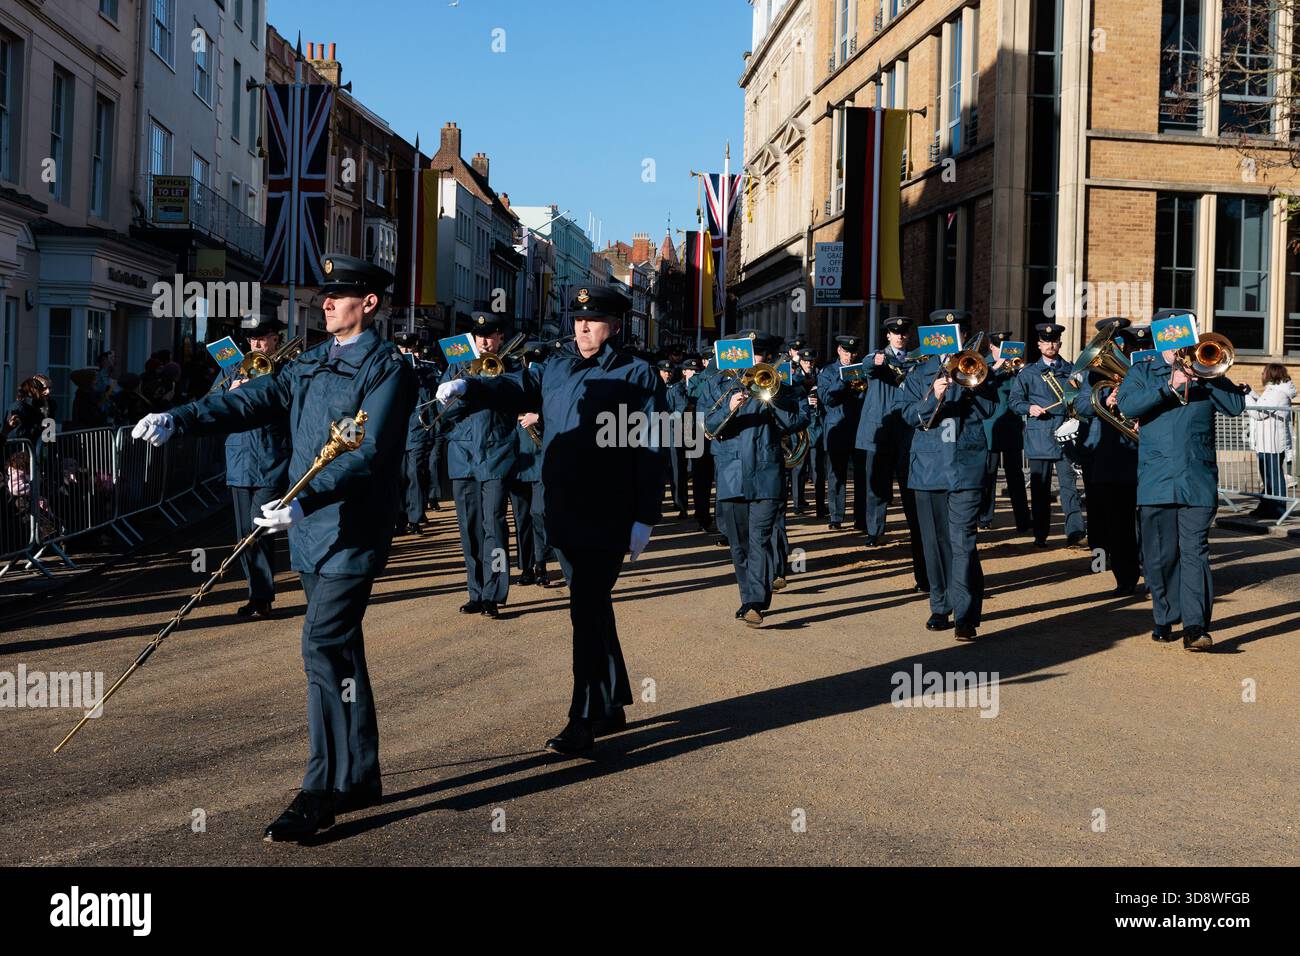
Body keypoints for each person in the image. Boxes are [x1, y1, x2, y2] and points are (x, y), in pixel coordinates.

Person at [132, 254, 416, 841]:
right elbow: (249, 400)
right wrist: (178, 417)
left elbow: (371, 451)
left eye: (340, 295)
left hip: (352, 529)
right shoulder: (311, 361)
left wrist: (305, 499)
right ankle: (360, 774)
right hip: (313, 531)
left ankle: (321, 790)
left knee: (322, 647)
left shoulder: (389, 368)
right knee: (343, 653)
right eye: (326, 294)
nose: (326, 302)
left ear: (369, 303)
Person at [436, 286, 662, 754]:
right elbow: (516, 385)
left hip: (607, 508)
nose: (582, 327)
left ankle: (583, 718)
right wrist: (469, 386)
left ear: (615, 325)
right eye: (577, 319)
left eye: (594, 319)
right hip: (563, 505)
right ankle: (612, 702)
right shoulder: (557, 365)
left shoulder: (639, 374)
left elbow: (652, 448)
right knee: (593, 605)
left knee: (585, 607)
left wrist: (645, 515)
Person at [1116, 308, 1246, 651]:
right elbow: (1128, 407)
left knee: (1195, 552)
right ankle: (1165, 614)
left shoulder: (1208, 371)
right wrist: (1168, 385)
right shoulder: (1143, 371)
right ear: (1163, 336)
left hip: (1197, 478)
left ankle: (1195, 627)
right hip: (1156, 479)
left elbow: (1234, 407)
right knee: (1159, 557)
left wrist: (1207, 375)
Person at [900, 310, 997, 641]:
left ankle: (965, 615)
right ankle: (940, 605)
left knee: (962, 543)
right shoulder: (919, 373)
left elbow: (990, 409)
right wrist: (934, 396)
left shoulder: (976, 366)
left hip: (965, 465)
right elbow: (908, 415)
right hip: (927, 467)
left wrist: (972, 382)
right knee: (934, 544)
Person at [704, 331, 806, 625]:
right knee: (739, 544)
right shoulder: (717, 386)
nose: (754, 360)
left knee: (759, 539)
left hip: (766, 474)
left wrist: (773, 400)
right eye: (749, 353)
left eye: (759, 354)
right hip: (731, 472)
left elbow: (799, 421)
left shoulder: (780, 387)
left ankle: (755, 603)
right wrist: (729, 408)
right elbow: (707, 427)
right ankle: (748, 595)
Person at [440, 312, 519, 619]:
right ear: (472, 339)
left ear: (500, 338)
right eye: (480, 337)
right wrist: (462, 388)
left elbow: (516, 402)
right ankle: (475, 590)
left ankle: (494, 593)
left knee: (494, 526)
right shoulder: (457, 366)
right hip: (463, 456)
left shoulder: (509, 368)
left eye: (492, 336)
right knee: (469, 528)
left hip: (496, 453)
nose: (485, 342)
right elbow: (442, 411)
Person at [223, 316, 293, 618]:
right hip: (239, 459)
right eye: (252, 339)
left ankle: (262, 596)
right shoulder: (232, 369)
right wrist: (232, 390)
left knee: (258, 530)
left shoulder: (286, 370)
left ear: (275, 339)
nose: (256, 345)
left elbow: (292, 407)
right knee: (242, 534)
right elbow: (210, 402)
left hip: (269, 459)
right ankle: (255, 592)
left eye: (262, 339)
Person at [856, 317, 928, 590]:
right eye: (895, 333)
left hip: (906, 431)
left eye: (903, 333)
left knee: (908, 485)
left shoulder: (915, 360)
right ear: (887, 336)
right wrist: (873, 362)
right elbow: (867, 368)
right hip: (881, 428)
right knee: (878, 484)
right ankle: (875, 531)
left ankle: (913, 535)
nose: (899, 336)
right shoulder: (879, 357)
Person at [1073, 322, 1140, 596]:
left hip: (1139, 455)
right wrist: (1104, 397)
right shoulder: (1093, 376)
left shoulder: (1139, 369)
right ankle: (1117, 572)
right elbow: (1079, 405)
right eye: (1113, 344)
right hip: (1107, 457)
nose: (1119, 348)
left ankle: (1147, 567)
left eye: (1120, 344)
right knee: (1111, 520)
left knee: (1143, 520)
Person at [1009, 322, 1086, 548]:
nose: (1051, 345)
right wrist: (1029, 408)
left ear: (1059, 343)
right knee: (1040, 488)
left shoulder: (1072, 371)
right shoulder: (1029, 373)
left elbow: (1080, 399)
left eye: (1054, 341)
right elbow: (1014, 402)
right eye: (1046, 341)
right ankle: (1041, 533)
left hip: (1065, 436)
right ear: (1039, 344)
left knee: (1069, 488)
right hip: (1039, 435)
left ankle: (1075, 531)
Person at [979, 333, 1031, 532]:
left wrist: (1021, 371)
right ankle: (985, 518)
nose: (1002, 350)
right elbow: (979, 386)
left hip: (1011, 425)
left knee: (1015, 475)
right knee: (988, 474)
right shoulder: (982, 364)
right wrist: (995, 367)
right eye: (999, 346)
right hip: (990, 425)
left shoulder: (1015, 364)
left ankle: (1023, 520)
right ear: (992, 347)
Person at [508, 341, 550, 586]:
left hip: (541, 454)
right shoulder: (514, 378)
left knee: (538, 513)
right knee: (521, 516)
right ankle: (526, 567)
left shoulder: (550, 380)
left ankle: (541, 565)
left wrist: (539, 417)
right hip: (518, 456)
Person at [819, 334, 866, 531]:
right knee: (836, 475)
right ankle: (836, 517)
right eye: (846, 352)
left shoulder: (862, 369)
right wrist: (842, 379)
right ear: (839, 350)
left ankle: (861, 519)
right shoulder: (828, 371)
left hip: (858, 428)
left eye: (852, 353)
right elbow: (827, 399)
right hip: (836, 428)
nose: (849, 357)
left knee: (861, 476)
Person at [394, 331, 435, 536]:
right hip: (397, 430)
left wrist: (418, 374)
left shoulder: (426, 371)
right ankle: (399, 517)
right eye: (402, 348)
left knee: (415, 474)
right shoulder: (391, 367)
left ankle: (415, 518)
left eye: (409, 348)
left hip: (417, 429)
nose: (406, 351)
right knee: (398, 476)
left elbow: (431, 397)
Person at [1245, 364, 1295, 520]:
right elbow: (1263, 404)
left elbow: (1258, 413)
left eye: (1264, 372)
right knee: (1267, 477)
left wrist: (1244, 397)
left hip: (1272, 442)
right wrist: (1250, 392)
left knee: (1273, 476)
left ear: (1271, 374)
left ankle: (1278, 509)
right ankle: (1267, 506)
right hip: (1267, 441)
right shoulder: (1274, 390)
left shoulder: (1278, 393)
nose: (1262, 374)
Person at [791, 348, 826, 516]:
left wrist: (819, 399)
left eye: (811, 361)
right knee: (799, 467)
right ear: (801, 362)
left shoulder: (821, 374)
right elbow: (790, 399)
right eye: (805, 362)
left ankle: (820, 506)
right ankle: (798, 504)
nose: (808, 364)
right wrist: (806, 399)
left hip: (817, 426)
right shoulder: (795, 377)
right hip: (801, 428)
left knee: (818, 469)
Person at [657, 358, 689, 518]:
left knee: (677, 473)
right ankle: (656, 507)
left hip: (673, 434)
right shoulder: (653, 386)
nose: (668, 374)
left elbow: (681, 408)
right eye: (665, 371)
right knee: (657, 473)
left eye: (670, 372)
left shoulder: (675, 389)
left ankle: (681, 506)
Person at [3, 376, 56, 446]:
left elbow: (50, 431)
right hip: (21, 450)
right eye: (43, 388)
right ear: (33, 388)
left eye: (50, 388)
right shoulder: (20, 406)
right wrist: (40, 428)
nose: (48, 391)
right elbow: (15, 434)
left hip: (39, 449)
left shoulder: (49, 404)